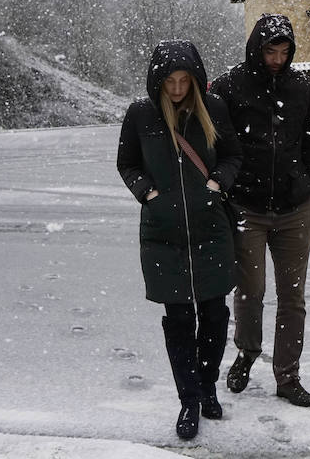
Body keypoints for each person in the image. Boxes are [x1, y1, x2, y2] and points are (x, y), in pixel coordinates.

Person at [117, 40, 242, 439]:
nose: (176, 89)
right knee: (179, 321)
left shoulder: (214, 108)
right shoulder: (141, 115)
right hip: (163, 235)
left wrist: (216, 183)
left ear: (194, 79)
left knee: (215, 317)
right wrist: (147, 193)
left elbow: (232, 156)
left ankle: (207, 388)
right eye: (169, 81)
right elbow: (127, 162)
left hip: (210, 230)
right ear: (158, 80)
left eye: (183, 80)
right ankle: (188, 400)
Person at [209, 13, 310, 408]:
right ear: (256, 48)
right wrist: (223, 190)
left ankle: (288, 376)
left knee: (293, 297)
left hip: (295, 207)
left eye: (284, 52)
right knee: (251, 290)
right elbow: (217, 145)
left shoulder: (300, 88)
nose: (277, 59)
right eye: (270, 51)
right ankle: (248, 351)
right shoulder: (229, 87)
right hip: (247, 207)